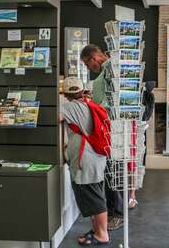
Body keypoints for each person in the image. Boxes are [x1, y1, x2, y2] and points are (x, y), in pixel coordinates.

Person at [59, 77, 109, 246]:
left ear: (65, 94)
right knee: (93, 197)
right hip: (95, 157)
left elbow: (53, 118)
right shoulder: (88, 104)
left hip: (86, 159)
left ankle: (102, 234)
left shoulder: (69, 107)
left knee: (94, 198)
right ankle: (96, 231)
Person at [81, 44, 124, 231]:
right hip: (106, 128)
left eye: (87, 64)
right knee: (109, 173)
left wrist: (94, 106)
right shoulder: (105, 71)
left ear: (94, 58)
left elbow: (111, 100)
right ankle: (114, 212)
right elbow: (105, 95)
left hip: (110, 128)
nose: (87, 68)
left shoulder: (109, 68)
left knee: (111, 174)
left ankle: (117, 214)